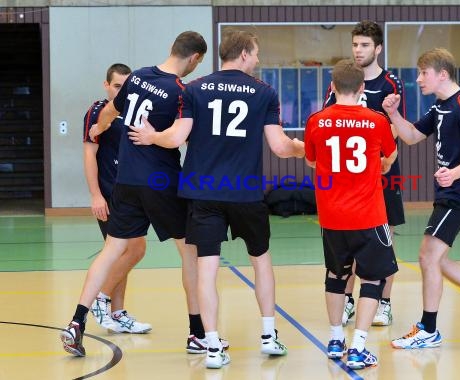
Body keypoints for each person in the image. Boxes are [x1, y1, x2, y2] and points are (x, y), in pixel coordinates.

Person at [128, 29, 305, 369]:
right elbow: (281, 147)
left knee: (206, 269)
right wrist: (304, 149)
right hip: (245, 193)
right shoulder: (264, 92)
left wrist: (152, 136)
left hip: (203, 193)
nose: (257, 59)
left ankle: (211, 347)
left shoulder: (194, 89)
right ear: (242, 54)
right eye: (254, 53)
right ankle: (268, 336)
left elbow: (176, 137)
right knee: (261, 261)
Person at [60, 31, 218, 357]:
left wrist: (99, 128)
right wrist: (156, 137)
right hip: (160, 180)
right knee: (189, 252)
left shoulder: (139, 76)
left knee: (111, 250)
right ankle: (197, 333)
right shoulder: (179, 92)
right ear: (194, 59)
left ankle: (76, 322)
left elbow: (109, 112)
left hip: (126, 180)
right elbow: (177, 138)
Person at [382, 47, 460, 349]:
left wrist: (454, 173)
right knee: (436, 260)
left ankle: (429, 328)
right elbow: (412, 136)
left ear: (442, 74)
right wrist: (392, 114)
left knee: (428, 257)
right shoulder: (440, 106)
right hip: (448, 194)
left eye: (423, 73)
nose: (418, 80)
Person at [305, 59, 399, 370]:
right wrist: (380, 165)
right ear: (361, 89)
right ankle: (358, 347)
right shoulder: (376, 120)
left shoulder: (316, 120)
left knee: (336, 275)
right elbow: (390, 155)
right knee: (372, 278)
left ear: (332, 87)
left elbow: (311, 161)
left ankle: (335, 340)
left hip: (332, 217)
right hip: (369, 216)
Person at [323, 20, 406, 327]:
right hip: (347, 178)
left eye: (365, 45)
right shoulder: (340, 82)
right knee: (346, 236)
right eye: (355, 45)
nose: (358, 50)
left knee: (385, 235)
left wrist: (378, 157)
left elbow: (395, 128)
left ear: (378, 48)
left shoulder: (390, 84)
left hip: (382, 174)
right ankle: (345, 300)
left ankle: (383, 302)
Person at [83, 63, 151, 334]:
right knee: (130, 250)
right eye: (117, 86)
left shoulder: (135, 111)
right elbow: (89, 155)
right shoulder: (97, 112)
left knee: (127, 252)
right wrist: (96, 195)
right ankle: (101, 300)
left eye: (126, 86)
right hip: (109, 194)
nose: (121, 90)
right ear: (106, 85)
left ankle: (116, 311)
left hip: (131, 192)